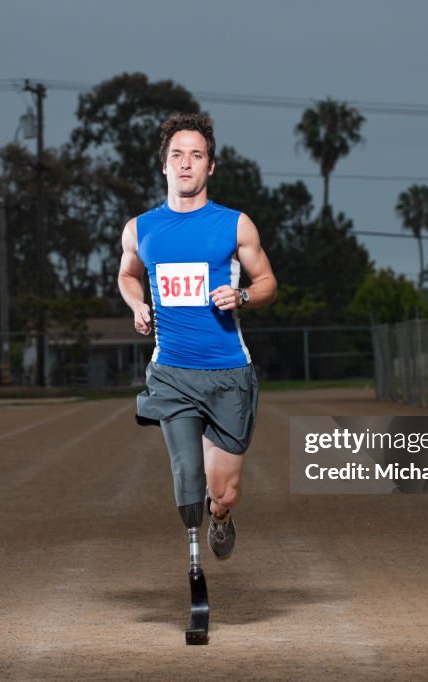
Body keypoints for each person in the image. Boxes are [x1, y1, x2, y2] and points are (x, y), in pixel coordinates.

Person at [117, 112, 277, 560]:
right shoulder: (141, 229)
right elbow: (127, 274)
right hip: (171, 373)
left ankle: (221, 517)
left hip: (228, 374)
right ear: (164, 165)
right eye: (177, 155)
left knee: (223, 491)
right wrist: (136, 304)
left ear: (211, 166)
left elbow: (268, 282)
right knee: (187, 471)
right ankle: (193, 566)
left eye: (196, 155)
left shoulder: (234, 225)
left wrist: (243, 295)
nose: (186, 163)